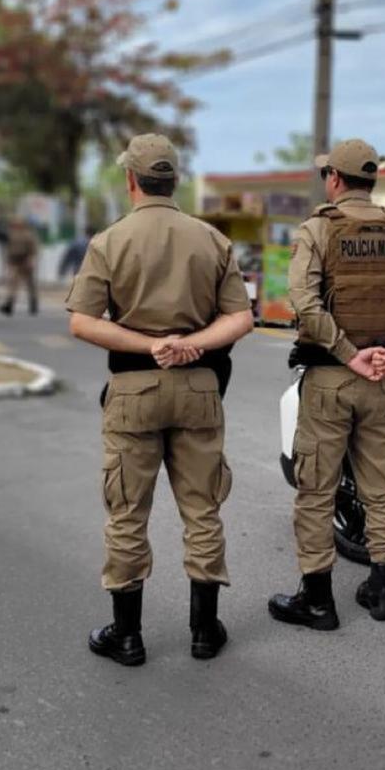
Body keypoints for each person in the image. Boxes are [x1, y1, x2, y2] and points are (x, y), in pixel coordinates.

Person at [66, 133, 254, 667]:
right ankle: (204, 630)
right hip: (198, 387)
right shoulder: (212, 240)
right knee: (203, 510)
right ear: (174, 182)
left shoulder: (109, 240)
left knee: (127, 512)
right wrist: (190, 343)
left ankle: (126, 636)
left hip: (132, 392)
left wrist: (150, 344)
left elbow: (82, 321)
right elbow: (241, 318)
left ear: (131, 181)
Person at [269, 139, 385, 629]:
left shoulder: (319, 229)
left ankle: (318, 601)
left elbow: (304, 303)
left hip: (331, 378)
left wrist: (348, 354)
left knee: (316, 489)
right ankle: (382, 591)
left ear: (335, 180)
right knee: (383, 488)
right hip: (383, 381)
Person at [0, 216, 40, 316]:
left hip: (25, 260)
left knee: (30, 284)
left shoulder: (28, 235)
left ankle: (33, 303)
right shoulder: (10, 234)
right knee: (12, 283)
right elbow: (8, 248)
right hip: (14, 261)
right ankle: (9, 304)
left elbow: (33, 249)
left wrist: (31, 260)